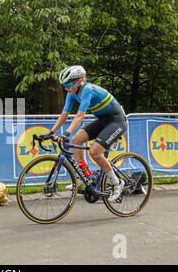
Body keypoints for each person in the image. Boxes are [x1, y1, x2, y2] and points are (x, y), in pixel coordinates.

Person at [49, 65, 127, 202]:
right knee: (76, 140)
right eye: (64, 86)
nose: (66, 88)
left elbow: (80, 116)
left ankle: (117, 183)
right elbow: (64, 115)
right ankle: (83, 177)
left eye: (68, 84)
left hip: (116, 121)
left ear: (78, 81)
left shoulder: (87, 90)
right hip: (103, 120)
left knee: (95, 152)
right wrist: (50, 132)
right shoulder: (72, 93)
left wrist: (65, 133)